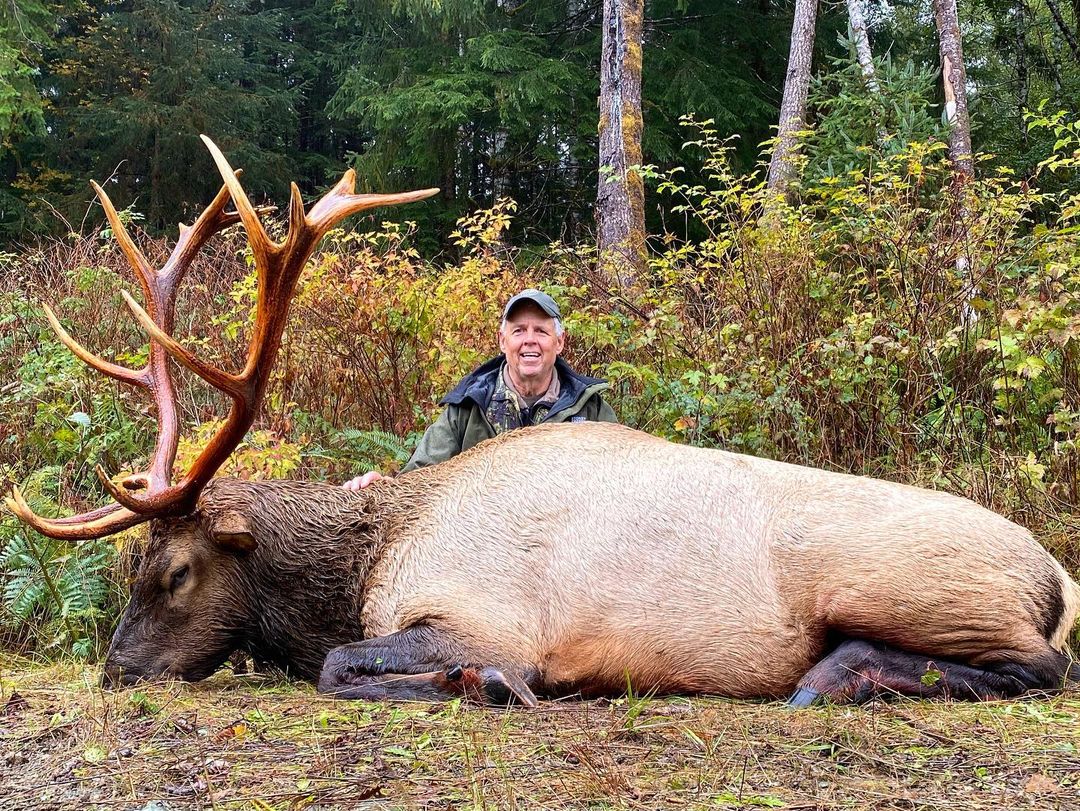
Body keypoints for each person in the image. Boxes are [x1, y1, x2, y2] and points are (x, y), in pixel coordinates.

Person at [343, 288, 617, 489]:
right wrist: (384, 488)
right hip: (483, 551)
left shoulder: (590, 410)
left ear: (559, 342)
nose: (529, 341)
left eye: (541, 332)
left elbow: (618, 484)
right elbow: (418, 480)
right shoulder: (468, 407)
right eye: (519, 330)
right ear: (502, 340)